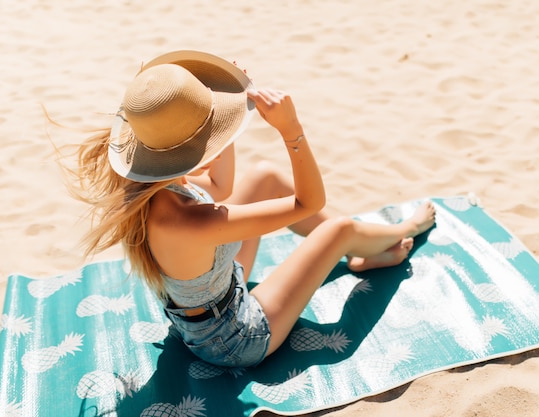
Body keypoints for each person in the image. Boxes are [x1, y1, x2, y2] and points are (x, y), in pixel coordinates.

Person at [69, 50, 436, 368]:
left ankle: (360, 255)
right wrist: (292, 131)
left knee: (264, 176)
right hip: (234, 338)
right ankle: (405, 231)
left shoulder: (146, 185)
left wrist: (222, 107)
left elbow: (220, 186)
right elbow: (310, 202)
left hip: (209, 299)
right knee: (338, 229)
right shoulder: (190, 221)